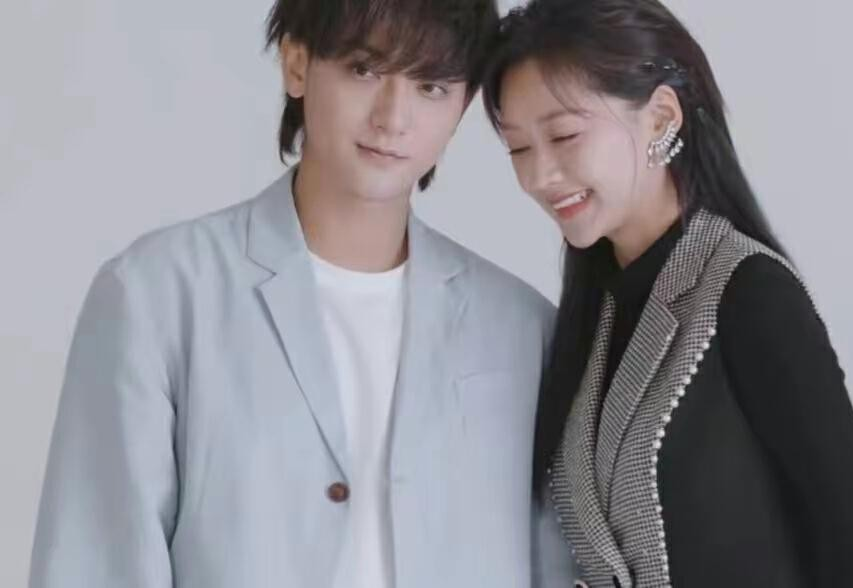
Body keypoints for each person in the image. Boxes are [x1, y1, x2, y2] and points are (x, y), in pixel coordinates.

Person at [30, 1, 559, 586]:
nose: (393, 117)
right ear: (297, 63)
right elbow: (94, 565)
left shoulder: (522, 329)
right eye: (364, 70)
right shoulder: (157, 294)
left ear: (462, 106)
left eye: (430, 86)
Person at [482, 0, 853, 586]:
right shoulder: (593, 318)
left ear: (661, 117)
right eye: (518, 149)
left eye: (564, 135)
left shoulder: (751, 295)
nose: (539, 176)